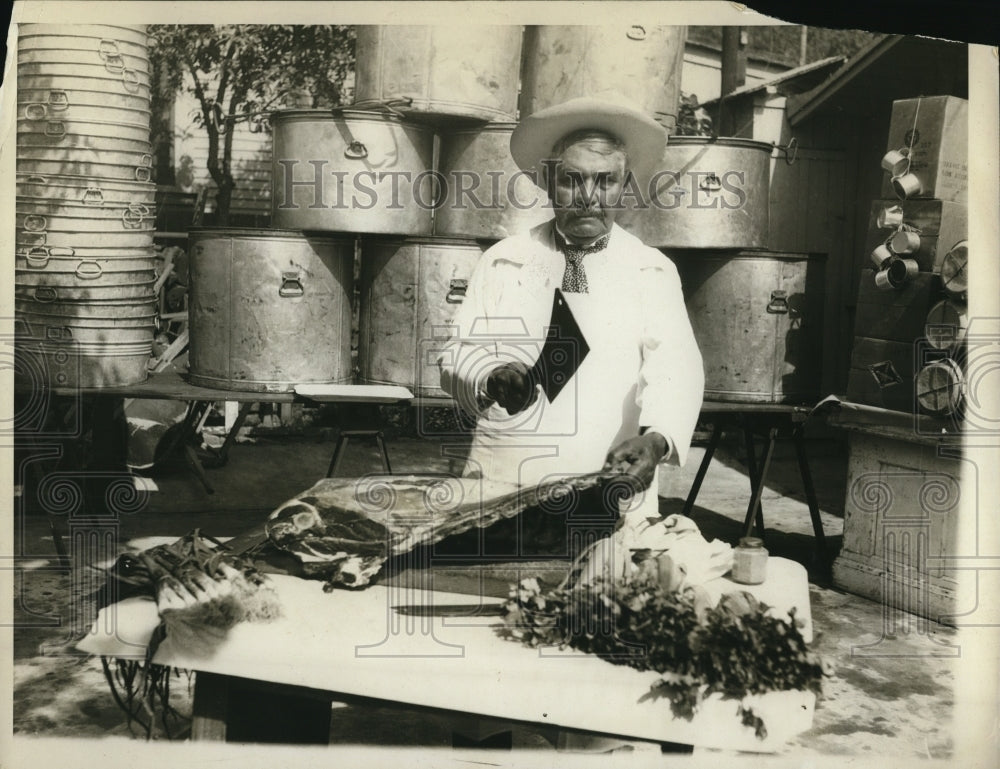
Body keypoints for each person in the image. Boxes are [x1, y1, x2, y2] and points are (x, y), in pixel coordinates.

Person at [437, 94, 704, 555]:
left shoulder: (651, 270)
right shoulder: (504, 261)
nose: (587, 197)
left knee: (599, 598)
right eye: (572, 180)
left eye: (605, 182)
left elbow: (676, 367)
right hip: (505, 485)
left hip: (606, 486)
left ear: (625, 187)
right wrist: (489, 374)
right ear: (547, 181)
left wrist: (657, 441)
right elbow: (456, 353)